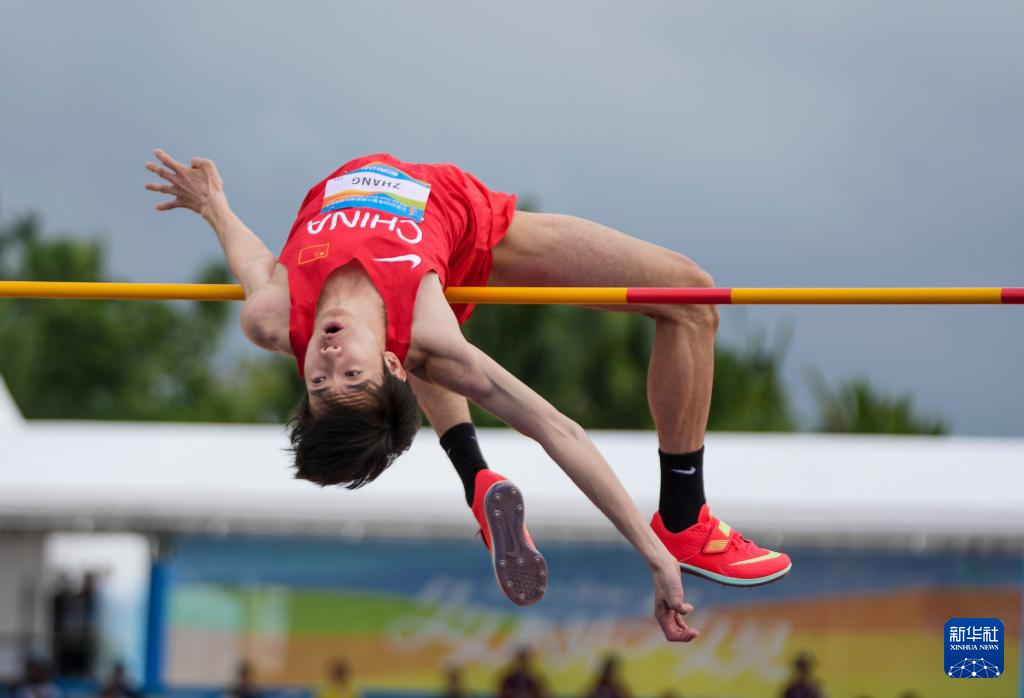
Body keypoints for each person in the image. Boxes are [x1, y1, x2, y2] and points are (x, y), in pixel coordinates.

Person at [144, 149, 792, 639]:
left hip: (419, 252)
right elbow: (555, 428)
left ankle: (474, 477)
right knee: (690, 295)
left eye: (320, 380)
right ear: (389, 365)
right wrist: (654, 557)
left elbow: (254, 259)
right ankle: (683, 519)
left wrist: (212, 205)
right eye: (352, 378)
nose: (332, 359)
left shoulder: (274, 317)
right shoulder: (428, 338)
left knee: (420, 348)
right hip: (473, 231)